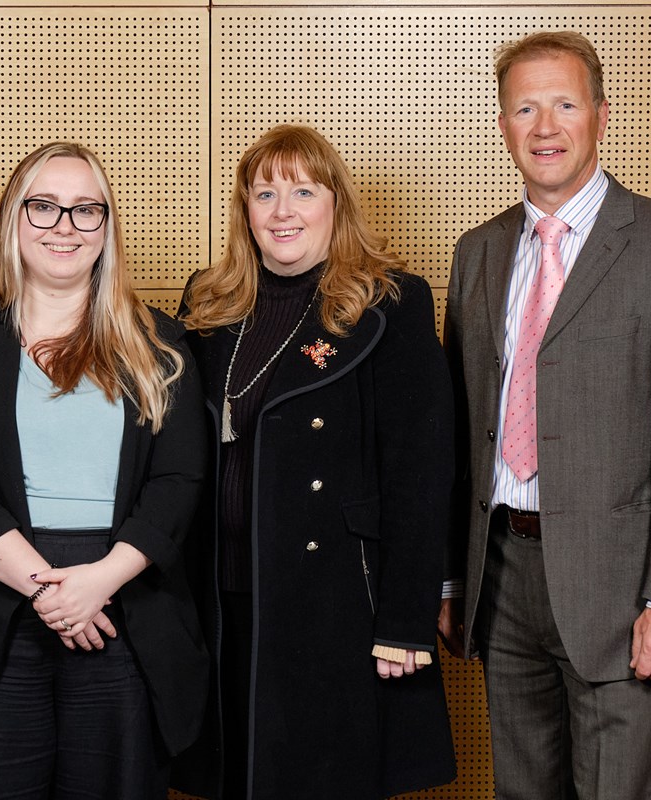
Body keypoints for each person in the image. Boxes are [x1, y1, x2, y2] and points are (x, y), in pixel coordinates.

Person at [440, 31, 651, 799]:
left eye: (564, 104)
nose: (545, 126)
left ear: (601, 115)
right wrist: (449, 580)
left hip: (620, 591)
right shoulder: (477, 253)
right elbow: (458, 436)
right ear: (502, 124)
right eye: (525, 108)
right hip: (501, 577)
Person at [0, 142, 209, 800]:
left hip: (122, 605)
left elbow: (179, 482)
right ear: (13, 221)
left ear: (107, 228)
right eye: (43, 207)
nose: (64, 227)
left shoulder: (159, 341)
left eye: (84, 210)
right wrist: (50, 592)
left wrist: (98, 581)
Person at [173, 124, 456, 799]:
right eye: (264, 193)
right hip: (223, 600)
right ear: (245, 210)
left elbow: (421, 470)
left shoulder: (390, 303)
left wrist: (406, 621)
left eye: (303, 191)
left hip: (336, 605)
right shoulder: (208, 302)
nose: (282, 211)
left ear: (336, 203)